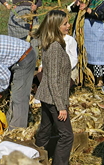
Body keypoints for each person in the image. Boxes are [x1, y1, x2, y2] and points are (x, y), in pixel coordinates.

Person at [33, 10, 74, 165]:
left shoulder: (48, 43)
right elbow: (54, 80)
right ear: (56, 26)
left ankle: (36, 159)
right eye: (64, 24)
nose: (68, 26)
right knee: (67, 135)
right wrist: (61, 106)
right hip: (53, 98)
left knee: (45, 129)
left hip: (46, 96)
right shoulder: (55, 47)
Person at [69, 0, 104, 87]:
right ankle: (80, 78)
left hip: (94, 30)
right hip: (82, 29)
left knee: (97, 56)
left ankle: (99, 80)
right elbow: (73, 9)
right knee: (80, 51)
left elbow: (101, 15)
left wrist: (87, 10)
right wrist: (77, 4)